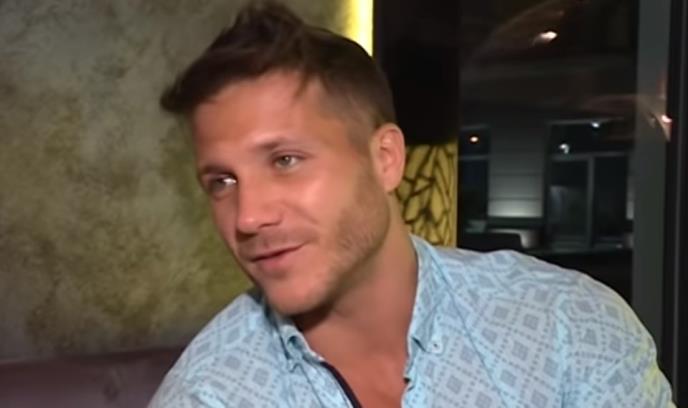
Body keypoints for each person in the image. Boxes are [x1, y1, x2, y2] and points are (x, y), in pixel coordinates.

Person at [149, 2, 674, 407]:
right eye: (222, 181)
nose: (248, 217)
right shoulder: (206, 394)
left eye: (285, 160)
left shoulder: (565, 326)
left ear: (385, 159)